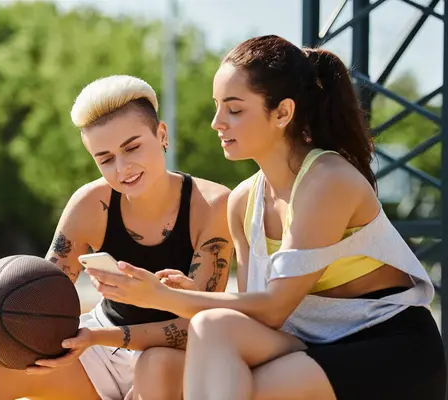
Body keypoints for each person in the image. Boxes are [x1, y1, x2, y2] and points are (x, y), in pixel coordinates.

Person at [83, 35, 447, 400]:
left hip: (389, 349)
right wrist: (193, 296)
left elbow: (273, 310)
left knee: (248, 384)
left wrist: (160, 296)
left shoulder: (327, 180)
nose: (217, 123)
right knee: (191, 342)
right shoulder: (243, 201)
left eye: (234, 109)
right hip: (310, 346)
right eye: (217, 107)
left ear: (283, 113)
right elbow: (249, 315)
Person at [0, 74, 233, 400]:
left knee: (156, 364)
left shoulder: (213, 205)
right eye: (106, 159)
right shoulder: (89, 205)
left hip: (174, 359)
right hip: (99, 348)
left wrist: (98, 337)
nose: (123, 167)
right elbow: (39, 298)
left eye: (132, 147)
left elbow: (197, 325)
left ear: (162, 134)